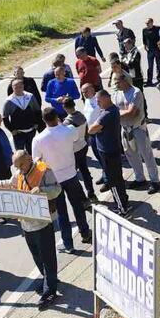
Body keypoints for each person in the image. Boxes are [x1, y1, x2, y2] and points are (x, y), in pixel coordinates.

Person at [0, 150, 62, 309]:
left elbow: (57, 190)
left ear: (29, 158)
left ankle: (50, 291)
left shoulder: (44, 170)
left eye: (21, 164)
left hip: (42, 223)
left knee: (48, 257)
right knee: (37, 256)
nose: (20, 169)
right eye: (17, 166)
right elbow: (8, 184)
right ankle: (48, 281)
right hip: (27, 223)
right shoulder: (19, 174)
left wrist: (43, 191)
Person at [33, 107, 93, 251]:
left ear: (43, 120)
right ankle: (85, 233)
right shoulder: (69, 130)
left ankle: (68, 244)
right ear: (57, 117)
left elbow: (37, 161)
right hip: (71, 174)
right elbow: (76, 138)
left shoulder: (38, 139)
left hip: (54, 178)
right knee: (77, 206)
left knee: (61, 212)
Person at [112, 73, 160, 193]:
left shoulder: (136, 92)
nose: (115, 84)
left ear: (124, 80)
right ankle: (140, 178)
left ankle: (154, 180)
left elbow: (132, 113)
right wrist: (122, 113)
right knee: (130, 155)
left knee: (146, 154)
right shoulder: (116, 94)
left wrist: (117, 114)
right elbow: (115, 110)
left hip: (138, 128)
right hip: (125, 129)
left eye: (117, 82)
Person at [87, 90, 131, 215]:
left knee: (113, 181)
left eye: (99, 101)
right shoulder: (113, 110)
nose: (98, 103)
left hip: (108, 152)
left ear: (106, 98)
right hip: (113, 149)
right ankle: (124, 202)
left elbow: (91, 130)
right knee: (118, 178)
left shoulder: (106, 114)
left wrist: (96, 128)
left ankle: (122, 208)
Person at [62, 98, 96, 203]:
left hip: (74, 150)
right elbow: (86, 131)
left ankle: (83, 199)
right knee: (84, 170)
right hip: (83, 146)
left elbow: (66, 139)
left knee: (73, 174)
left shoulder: (67, 122)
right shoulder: (81, 115)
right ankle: (91, 193)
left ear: (64, 107)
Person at [4, 76, 44, 152]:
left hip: (31, 130)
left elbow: (37, 111)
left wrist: (37, 123)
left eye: (20, 87)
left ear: (23, 87)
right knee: (20, 153)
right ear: (12, 88)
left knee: (32, 151)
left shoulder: (30, 96)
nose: (18, 89)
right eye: (16, 87)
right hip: (18, 132)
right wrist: (12, 130)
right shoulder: (9, 101)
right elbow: (5, 117)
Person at [142, 18, 160, 85]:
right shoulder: (144, 30)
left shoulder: (158, 29)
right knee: (150, 66)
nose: (147, 24)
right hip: (150, 50)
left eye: (148, 23)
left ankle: (159, 78)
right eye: (146, 23)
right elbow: (144, 39)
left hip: (157, 49)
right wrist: (145, 46)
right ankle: (149, 80)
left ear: (152, 22)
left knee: (158, 65)